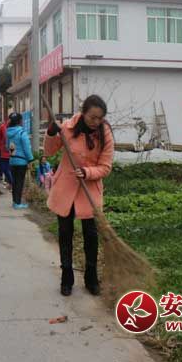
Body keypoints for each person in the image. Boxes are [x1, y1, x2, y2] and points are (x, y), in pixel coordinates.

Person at [44, 95, 114, 297]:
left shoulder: (105, 134)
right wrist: (51, 133)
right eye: (92, 117)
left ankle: (91, 278)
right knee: (65, 233)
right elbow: (49, 151)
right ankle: (66, 277)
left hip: (89, 190)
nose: (96, 122)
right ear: (83, 113)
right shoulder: (67, 128)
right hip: (65, 189)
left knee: (90, 235)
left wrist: (87, 172)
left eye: (100, 118)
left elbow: (105, 167)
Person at [6, 112, 34, 209]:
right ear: (20, 121)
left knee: (14, 182)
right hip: (21, 162)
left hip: (12, 160)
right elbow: (27, 148)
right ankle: (17, 203)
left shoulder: (9, 133)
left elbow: (8, 147)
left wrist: (14, 153)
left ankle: (15, 201)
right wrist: (30, 159)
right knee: (20, 182)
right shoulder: (22, 133)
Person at [0, 118, 12, 186]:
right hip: (2, 150)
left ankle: (9, 182)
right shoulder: (2, 127)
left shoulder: (15, 128)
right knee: (2, 166)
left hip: (11, 151)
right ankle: (1, 176)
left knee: (8, 167)